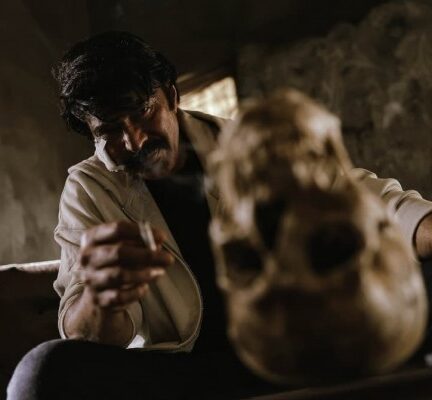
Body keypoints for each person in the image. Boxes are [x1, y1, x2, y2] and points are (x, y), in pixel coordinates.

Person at [7, 31, 432, 400]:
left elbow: (361, 196)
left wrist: (423, 226)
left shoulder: (247, 144)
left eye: (143, 112)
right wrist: (103, 300)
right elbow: (90, 332)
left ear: (172, 96)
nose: (134, 141)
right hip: (190, 372)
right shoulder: (88, 190)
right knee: (44, 373)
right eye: (110, 130)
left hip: (299, 343)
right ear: (91, 134)